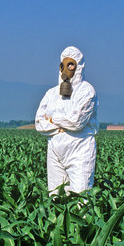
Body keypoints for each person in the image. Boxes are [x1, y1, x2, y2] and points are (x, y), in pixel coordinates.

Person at [34, 46, 97, 196]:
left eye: (71, 64)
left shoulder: (86, 91)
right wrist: (61, 127)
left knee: (81, 198)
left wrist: (53, 119)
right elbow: (39, 123)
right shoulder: (51, 94)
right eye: (63, 64)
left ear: (79, 66)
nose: (66, 69)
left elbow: (76, 122)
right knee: (56, 196)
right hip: (55, 150)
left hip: (80, 149)